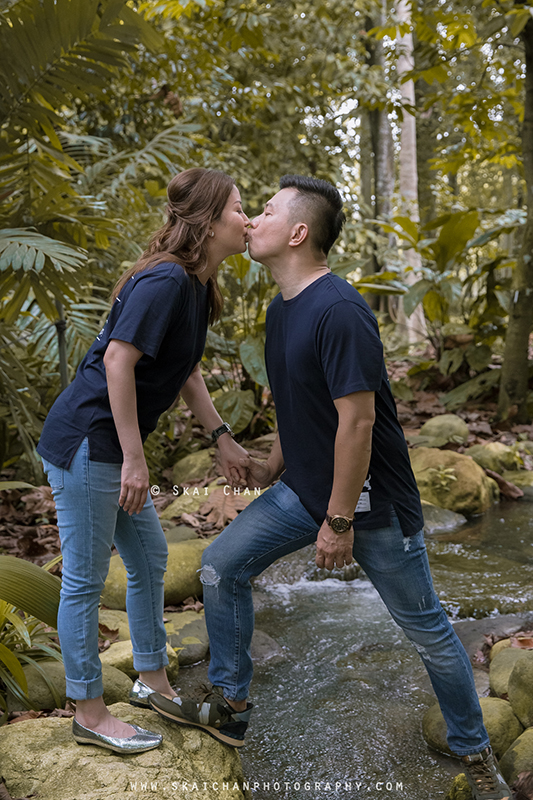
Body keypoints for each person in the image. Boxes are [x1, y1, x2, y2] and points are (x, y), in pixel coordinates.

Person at [148, 175, 511, 800]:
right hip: (305, 493)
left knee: (426, 630)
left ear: (296, 232)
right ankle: (231, 705)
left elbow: (358, 420)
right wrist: (270, 467)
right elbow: (299, 405)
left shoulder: (340, 309)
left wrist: (340, 520)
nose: (251, 220)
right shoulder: (280, 307)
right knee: (218, 567)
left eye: (264, 210)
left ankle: (476, 753)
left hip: (373, 510)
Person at [37, 167, 251, 753]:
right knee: (82, 580)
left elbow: (183, 367)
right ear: (208, 223)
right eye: (239, 207)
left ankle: (152, 681)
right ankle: (88, 711)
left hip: (110, 446)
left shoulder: (196, 286)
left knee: (152, 556)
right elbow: (117, 362)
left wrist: (221, 436)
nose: (248, 218)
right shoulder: (165, 282)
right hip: (88, 443)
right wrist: (135, 457)